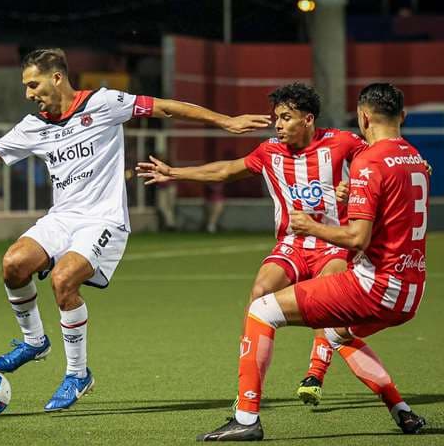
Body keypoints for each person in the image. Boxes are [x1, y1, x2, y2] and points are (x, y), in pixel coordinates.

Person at [0, 48, 270, 411]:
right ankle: (34, 341)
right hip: (63, 218)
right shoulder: (34, 126)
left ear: (57, 78)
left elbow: (166, 106)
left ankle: (77, 374)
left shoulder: (104, 103)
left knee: (63, 280)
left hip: (104, 220)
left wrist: (226, 121)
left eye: (33, 84)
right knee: (13, 263)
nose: (28, 94)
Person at [195, 83, 428, 441]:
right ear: (403, 116)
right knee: (336, 333)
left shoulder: (367, 160)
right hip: (411, 293)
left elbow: (356, 239)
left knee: (260, 311)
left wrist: (310, 224)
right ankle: (402, 411)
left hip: (375, 286)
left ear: (364, 117)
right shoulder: (416, 158)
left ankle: (245, 419)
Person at [137, 83, 373, 405]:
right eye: (276, 117)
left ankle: (315, 373)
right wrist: (174, 173)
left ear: (307, 119)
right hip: (291, 244)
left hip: (332, 242)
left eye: (286, 117)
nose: (278, 124)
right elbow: (225, 171)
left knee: (328, 295)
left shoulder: (341, 142)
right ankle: (248, 390)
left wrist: (359, 181)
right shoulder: (269, 151)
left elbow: (377, 160)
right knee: (259, 294)